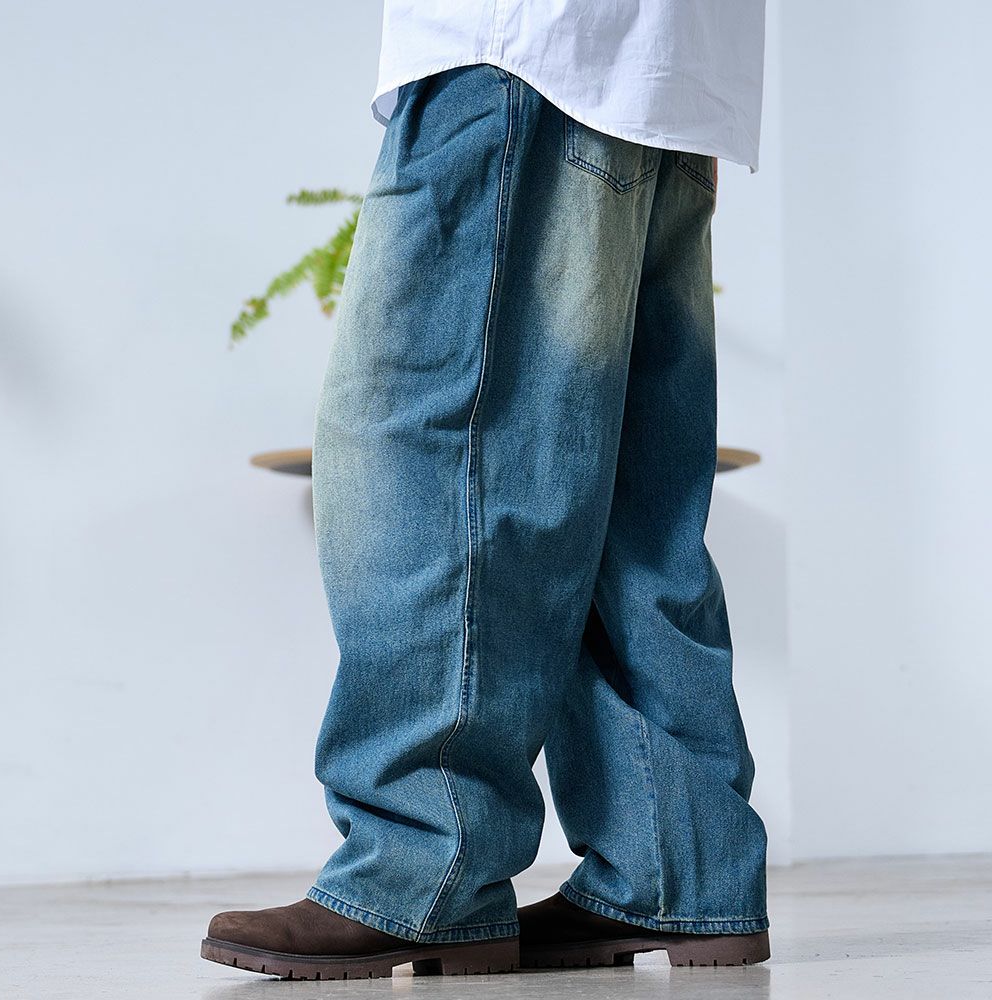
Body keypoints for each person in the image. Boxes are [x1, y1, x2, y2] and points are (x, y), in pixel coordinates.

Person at [202, 0, 770, 980]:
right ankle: (676, 866)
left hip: (519, 48)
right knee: (627, 500)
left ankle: (422, 863)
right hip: (670, 72)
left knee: (425, 459)